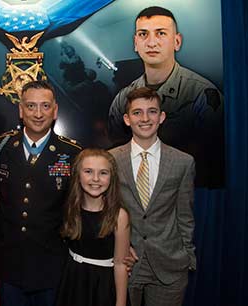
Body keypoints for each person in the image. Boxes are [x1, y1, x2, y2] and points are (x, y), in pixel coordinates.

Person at [108, 6, 224, 188]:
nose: (151, 42)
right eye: (143, 34)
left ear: (177, 41)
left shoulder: (202, 94)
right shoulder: (122, 100)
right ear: (135, 43)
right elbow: (116, 159)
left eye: (161, 33)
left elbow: (212, 164)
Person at [0, 80, 82, 306]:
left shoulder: (73, 153)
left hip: (51, 265)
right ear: (20, 110)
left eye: (45, 106)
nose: (38, 114)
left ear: (55, 110)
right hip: (9, 265)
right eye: (31, 106)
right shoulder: (0, 147)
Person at [110, 87, 196, 306]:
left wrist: (188, 256)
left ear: (162, 117)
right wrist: (117, 246)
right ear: (127, 119)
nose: (145, 118)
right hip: (126, 263)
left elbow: (185, 215)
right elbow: (105, 211)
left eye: (152, 111)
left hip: (169, 266)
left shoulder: (183, 162)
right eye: (137, 112)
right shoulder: (110, 160)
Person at [56, 148, 130, 306]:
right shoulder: (70, 208)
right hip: (72, 282)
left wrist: (121, 303)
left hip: (102, 286)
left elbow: (120, 264)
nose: (95, 179)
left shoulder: (119, 215)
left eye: (103, 173)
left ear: (112, 177)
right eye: (88, 171)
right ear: (77, 175)